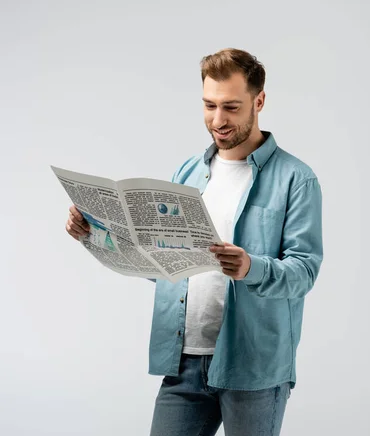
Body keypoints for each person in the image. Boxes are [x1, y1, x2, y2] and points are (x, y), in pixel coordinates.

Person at [66, 48, 323, 436]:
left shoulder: (296, 179)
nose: (218, 120)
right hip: (184, 360)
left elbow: (304, 271)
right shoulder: (189, 172)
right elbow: (167, 263)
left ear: (260, 101)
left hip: (253, 366)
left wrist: (251, 267)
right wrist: (97, 236)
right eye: (209, 105)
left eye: (231, 108)